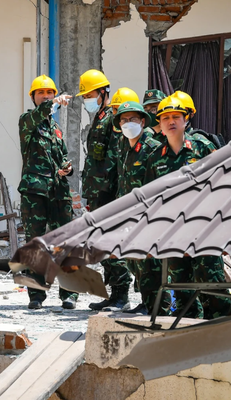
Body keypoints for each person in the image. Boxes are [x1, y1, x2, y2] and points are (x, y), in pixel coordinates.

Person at [143, 96, 231, 320]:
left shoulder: (203, 148)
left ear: (186, 120)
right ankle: (188, 329)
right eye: (165, 118)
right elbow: (151, 198)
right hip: (173, 232)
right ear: (160, 123)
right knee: (181, 285)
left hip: (204, 227)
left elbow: (224, 183)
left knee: (212, 282)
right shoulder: (155, 158)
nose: (171, 121)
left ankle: (223, 327)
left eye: (176, 117)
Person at [18, 75, 79, 310]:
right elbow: (39, 114)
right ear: (33, 97)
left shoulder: (56, 130)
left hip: (58, 191)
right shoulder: (27, 120)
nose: (46, 96)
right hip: (35, 191)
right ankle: (36, 295)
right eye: (41, 93)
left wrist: (68, 167)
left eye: (50, 93)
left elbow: (62, 157)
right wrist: (52, 104)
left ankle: (69, 294)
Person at [76, 69, 130, 310]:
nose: (86, 99)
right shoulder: (98, 118)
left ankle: (121, 295)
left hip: (109, 193)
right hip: (97, 192)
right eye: (84, 95)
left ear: (103, 93)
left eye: (90, 94)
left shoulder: (113, 118)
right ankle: (113, 294)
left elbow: (118, 158)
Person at [112, 101, 171, 316]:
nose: (128, 123)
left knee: (151, 264)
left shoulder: (152, 147)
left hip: (148, 215)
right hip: (128, 214)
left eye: (133, 119)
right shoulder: (124, 146)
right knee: (134, 262)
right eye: (124, 120)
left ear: (143, 121)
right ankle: (147, 301)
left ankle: (160, 307)